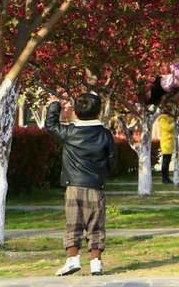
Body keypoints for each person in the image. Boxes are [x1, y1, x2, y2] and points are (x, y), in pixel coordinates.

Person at [45, 93, 117, 277]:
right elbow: (112, 160)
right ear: (99, 113)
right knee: (96, 226)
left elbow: (51, 125)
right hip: (96, 187)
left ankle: (72, 259)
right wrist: (101, 174)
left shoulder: (69, 132)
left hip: (74, 187)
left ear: (75, 114)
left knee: (73, 224)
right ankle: (96, 263)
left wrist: (54, 104)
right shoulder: (105, 134)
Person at [159, 108, 175, 184]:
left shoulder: (170, 119)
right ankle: (165, 178)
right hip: (166, 143)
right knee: (165, 161)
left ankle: (167, 177)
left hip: (170, 142)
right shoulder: (162, 120)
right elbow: (168, 128)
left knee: (168, 161)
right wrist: (174, 124)